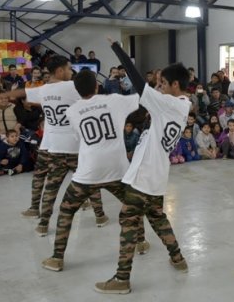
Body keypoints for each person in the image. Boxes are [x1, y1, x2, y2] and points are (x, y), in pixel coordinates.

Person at [94, 40, 189, 294]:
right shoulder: (180, 106)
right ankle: (178, 258)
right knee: (157, 217)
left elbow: (139, 84)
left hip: (145, 176)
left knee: (128, 219)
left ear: (175, 85)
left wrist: (119, 51)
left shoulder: (170, 104)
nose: (161, 87)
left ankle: (122, 278)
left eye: (164, 83)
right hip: (155, 176)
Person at [40, 69, 148, 272]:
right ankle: (141, 242)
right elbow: (141, 96)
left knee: (66, 211)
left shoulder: (72, 111)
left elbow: (79, 137)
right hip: (118, 170)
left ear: (77, 90)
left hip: (88, 172)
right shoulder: (115, 100)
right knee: (132, 206)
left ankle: (57, 258)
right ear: (97, 86)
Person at [14, 55, 105, 237]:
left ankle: (43, 223)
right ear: (60, 70)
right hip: (76, 146)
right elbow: (92, 96)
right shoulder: (73, 86)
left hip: (54, 147)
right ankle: (100, 216)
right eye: (69, 68)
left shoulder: (43, 89)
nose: (71, 72)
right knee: (90, 181)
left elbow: (23, 96)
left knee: (51, 187)